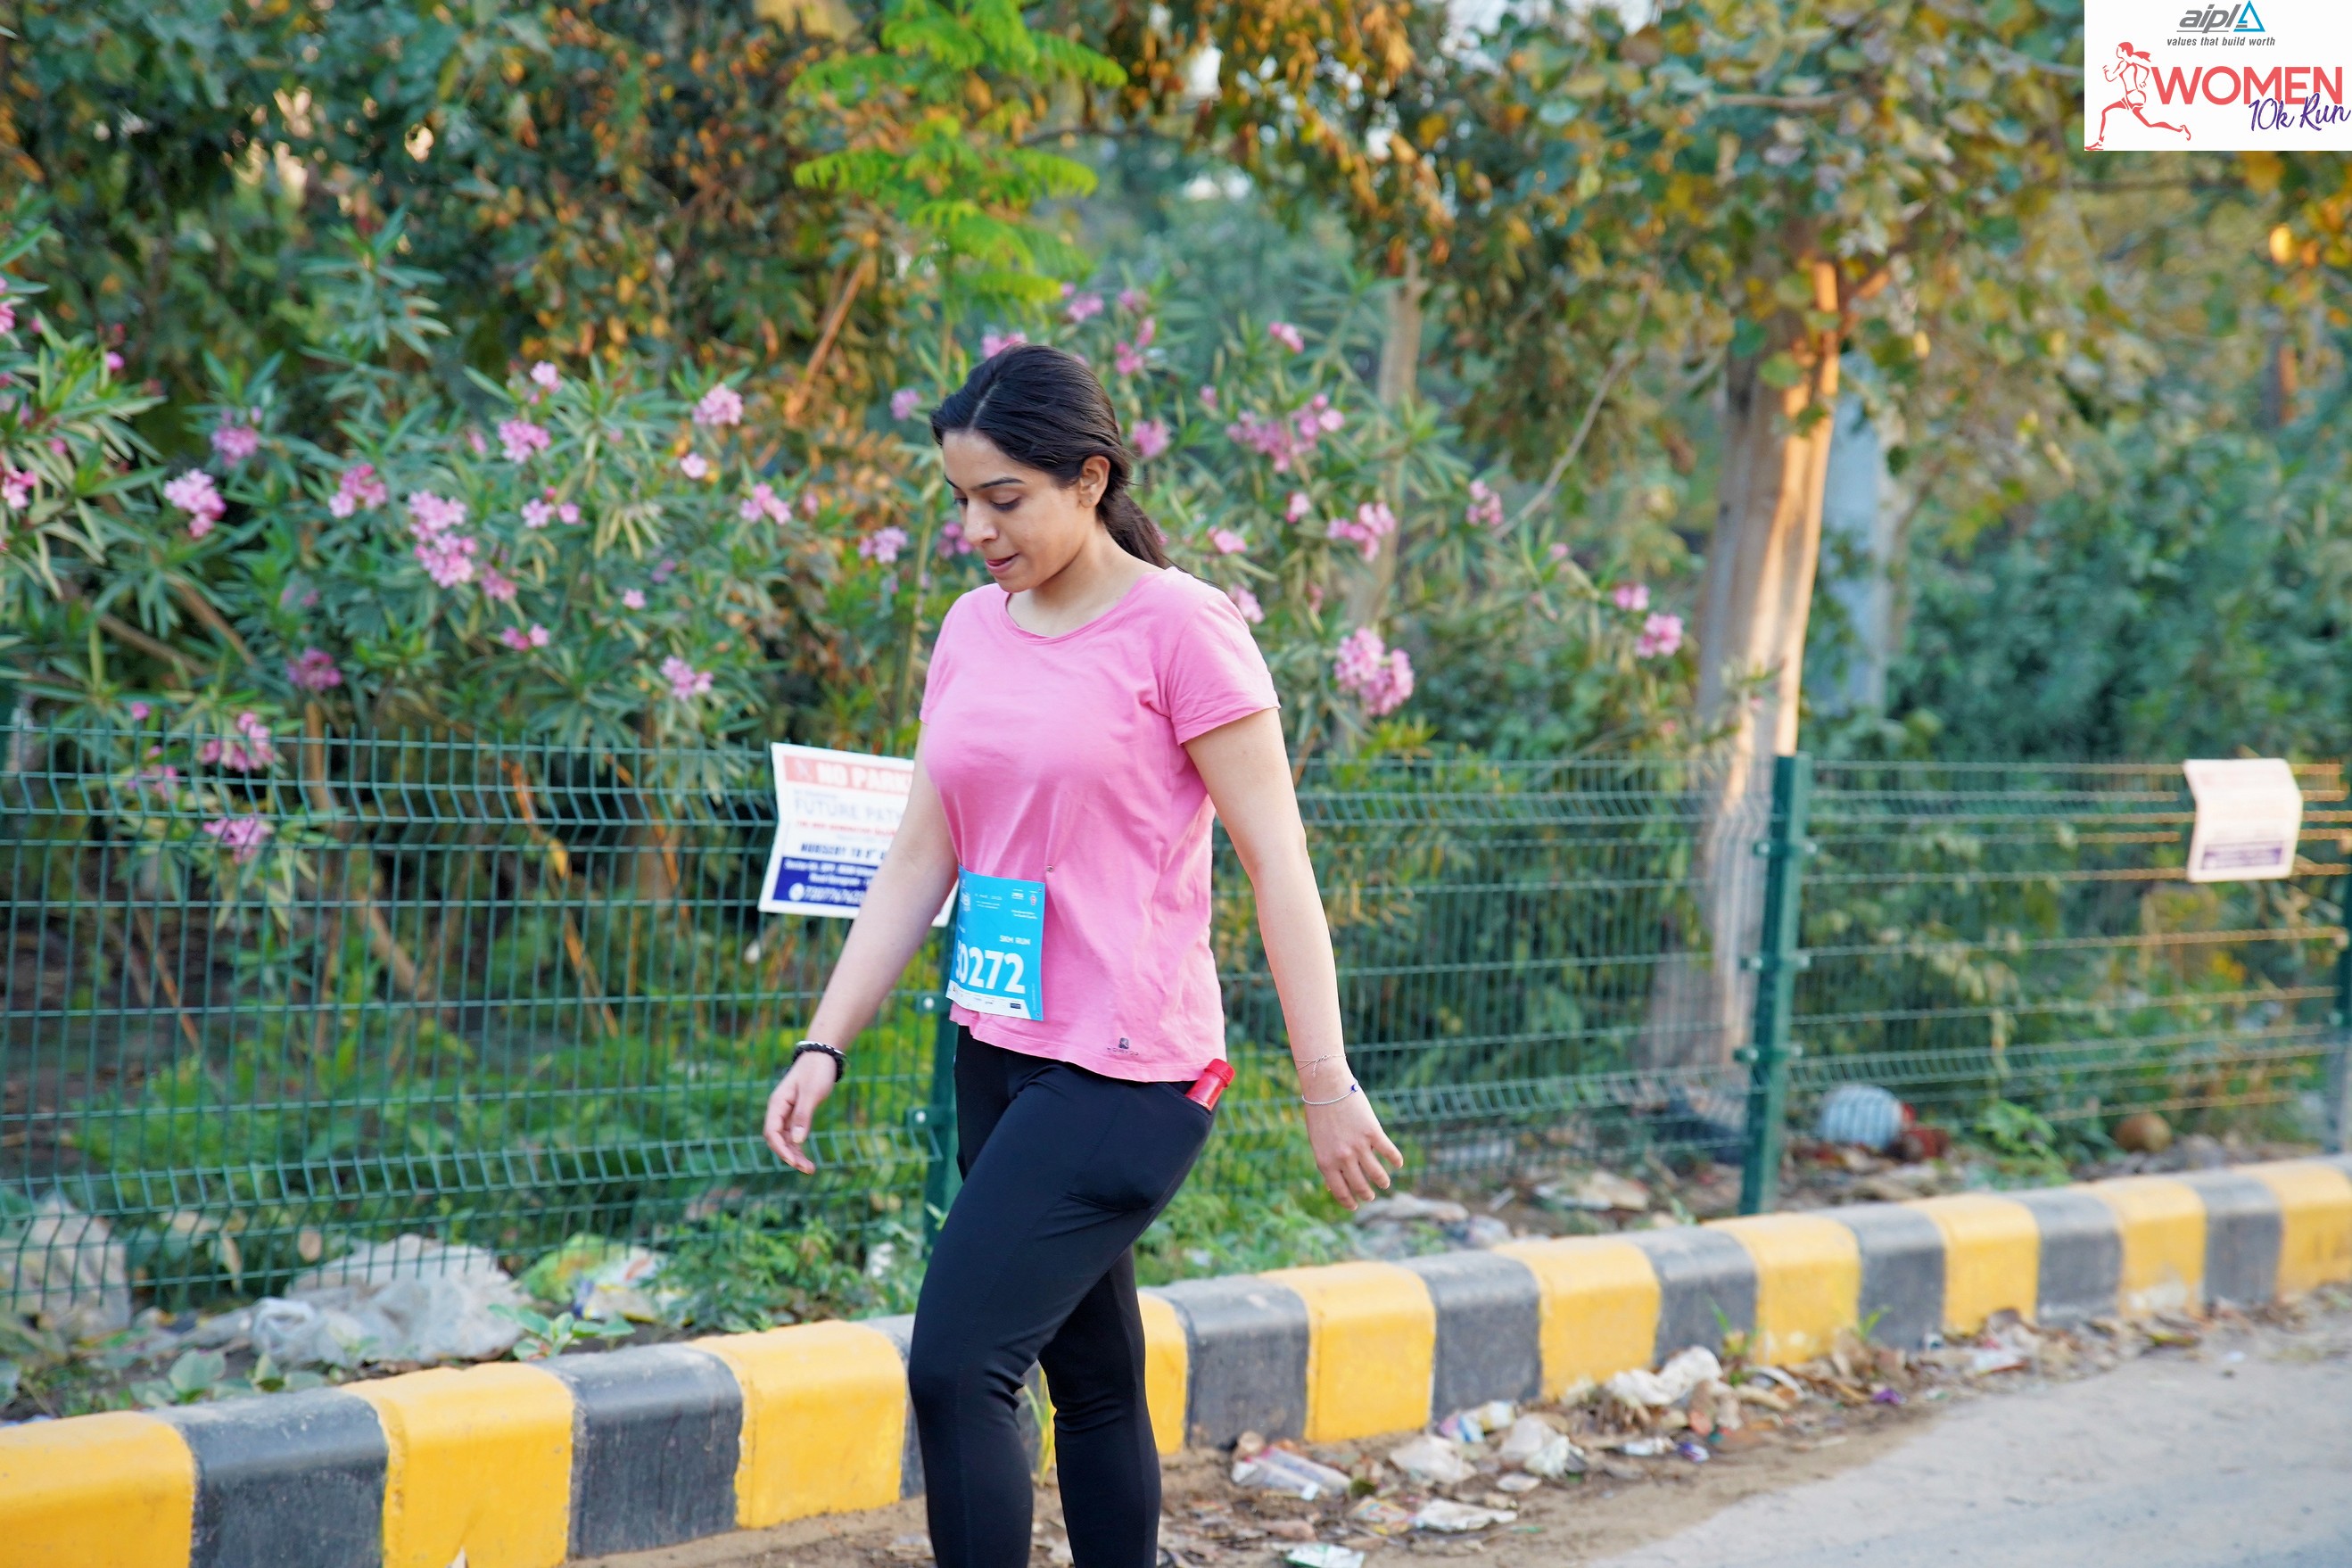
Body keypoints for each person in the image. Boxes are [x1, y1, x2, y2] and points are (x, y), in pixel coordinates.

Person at [762, 342, 1402, 1568]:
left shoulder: (1183, 629)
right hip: (997, 1045)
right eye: (961, 499)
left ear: (1089, 479)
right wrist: (822, 1043)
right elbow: (920, 857)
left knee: (957, 1365)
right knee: (1094, 1376)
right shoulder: (971, 628)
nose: (976, 530)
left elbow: (1280, 864)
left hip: (1125, 1071)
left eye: (1003, 499)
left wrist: (1323, 1080)